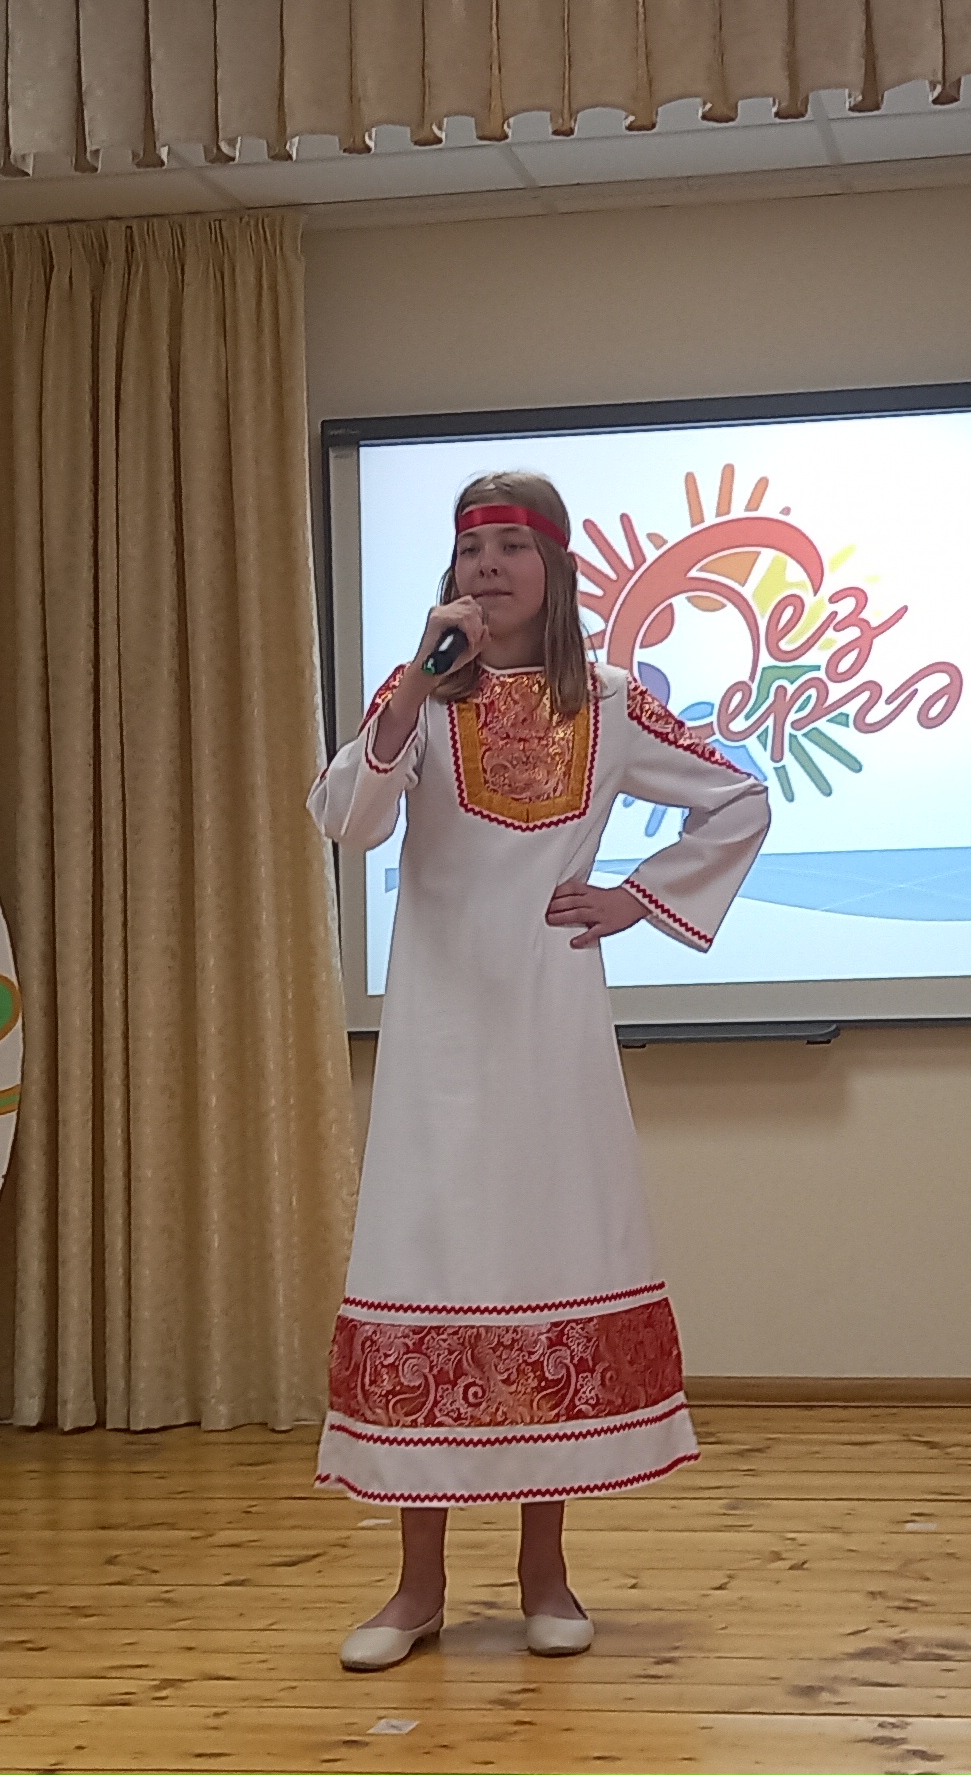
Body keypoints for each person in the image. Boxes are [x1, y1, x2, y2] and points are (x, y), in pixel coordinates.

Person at [306, 472, 773, 1670]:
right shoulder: (417, 696)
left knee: (547, 1264)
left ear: (556, 568)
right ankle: (414, 1589)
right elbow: (347, 820)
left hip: (551, 1031)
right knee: (429, 1268)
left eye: (515, 546)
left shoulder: (608, 702)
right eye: (474, 548)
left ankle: (543, 1573)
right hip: (437, 1038)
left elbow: (738, 794)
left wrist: (638, 897)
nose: (491, 567)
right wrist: (415, 689)